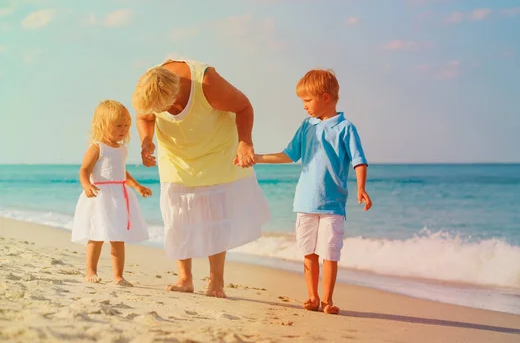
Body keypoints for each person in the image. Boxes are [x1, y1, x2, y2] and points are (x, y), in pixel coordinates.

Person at [132, 58, 270, 298]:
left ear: (174, 92)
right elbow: (144, 118)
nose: (165, 113)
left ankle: (216, 282)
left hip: (215, 152)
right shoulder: (149, 87)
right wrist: (146, 141)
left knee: (215, 218)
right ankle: (185, 279)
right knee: (177, 218)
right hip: (176, 158)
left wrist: (245, 142)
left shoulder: (205, 82)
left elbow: (243, 106)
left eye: (166, 107)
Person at [248, 69, 372, 314]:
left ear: (325, 97)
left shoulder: (346, 128)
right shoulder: (306, 126)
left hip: (332, 204)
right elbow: (289, 154)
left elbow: (359, 160)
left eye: (307, 100)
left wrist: (361, 188)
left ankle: (328, 300)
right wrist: (257, 157)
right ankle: (312, 297)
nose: (304, 106)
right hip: (304, 202)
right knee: (308, 252)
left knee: (330, 253)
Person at [72, 100, 152, 286]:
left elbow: (122, 172)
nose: (123, 129)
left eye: (126, 125)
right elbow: (84, 170)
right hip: (100, 196)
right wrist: (86, 185)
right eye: (118, 125)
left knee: (118, 238)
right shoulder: (97, 147)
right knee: (97, 236)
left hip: (119, 197)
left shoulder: (121, 149)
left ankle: (118, 276)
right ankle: (91, 270)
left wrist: (137, 186)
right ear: (103, 125)